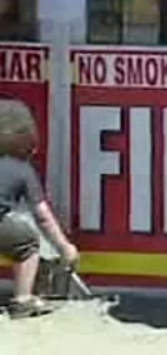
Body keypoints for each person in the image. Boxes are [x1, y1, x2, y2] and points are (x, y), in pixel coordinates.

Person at [0, 98, 77, 318]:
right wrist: (64, 247)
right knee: (27, 244)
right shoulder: (23, 170)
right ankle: (23, 300)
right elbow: (43, 216)